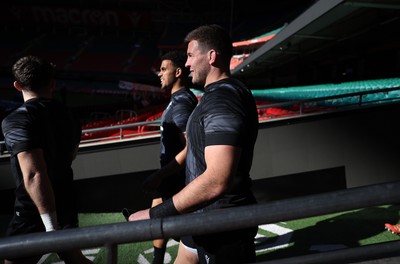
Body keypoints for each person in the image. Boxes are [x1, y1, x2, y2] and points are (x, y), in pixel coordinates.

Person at [128, 24, 259, 264]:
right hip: (200, 218)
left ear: (211, 56)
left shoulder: (223, 99)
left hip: (222, 227)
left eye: (190, 56)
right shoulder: (213, 95)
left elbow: (217, 179)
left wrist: (154, 215)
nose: (186, 64)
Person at [1, 55, 93, 264]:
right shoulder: (69, 114)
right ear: (52, 83)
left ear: (17, 85)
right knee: (72, 256)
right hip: (65, 197)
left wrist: (50, 228)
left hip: (33, 207)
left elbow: (34, 174)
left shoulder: (16, 119)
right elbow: (71, 155)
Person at [142, 50, 198, 264]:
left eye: (164, 69)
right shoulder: (178, 98)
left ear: (177, 72)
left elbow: (191, 147)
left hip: (179, 181)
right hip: (170, 179)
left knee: (188, 239)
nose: (160, 74)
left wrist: (160, 175)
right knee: (157, 216)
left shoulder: (182, 103)